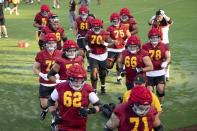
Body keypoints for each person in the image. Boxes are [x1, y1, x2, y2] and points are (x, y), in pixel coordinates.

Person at [48, 64, 102, 131]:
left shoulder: (87, 88)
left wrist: (89, 111)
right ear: (69, 78)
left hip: (80, 126)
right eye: (76, 80)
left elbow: (99, 105)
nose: (78, 83)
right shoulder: (61, 87)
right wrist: (54, 115)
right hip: (64, 125)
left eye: (81, 80)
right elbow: (50, 101)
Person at [33, 33, 62, 121]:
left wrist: (59, 75)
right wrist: (42, 74)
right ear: (45, 43)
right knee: (44, 105)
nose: (51, 44)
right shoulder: (41, 54)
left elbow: (64, 67)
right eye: (49, 43)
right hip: (44, 83)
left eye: (53, 42)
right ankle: (45, 110)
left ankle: (54, 121)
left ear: (56, 43)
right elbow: (35, 68)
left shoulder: (60, 53)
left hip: (55, 83)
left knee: (56, 105)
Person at [83, 18, 116, 95]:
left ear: (101, 27)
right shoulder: (90, 33)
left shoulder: (105, 34)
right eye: (95, 28)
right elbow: (84, 40)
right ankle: (94, 89)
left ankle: (103, 86)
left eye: (98, 28)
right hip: (93, 55)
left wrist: (104, 43)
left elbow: (112, 43)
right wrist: (87, 48)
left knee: (102, 73)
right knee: (93, 73)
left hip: (103, 55)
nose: (96, 29)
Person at [142, 28, 171, 107]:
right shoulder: (145, 46)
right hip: (149, 72)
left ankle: (160, 105)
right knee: (149, 91)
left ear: (159, 37)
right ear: (149, 38)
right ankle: (150, 106)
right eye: (152, 37)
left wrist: (166, 62)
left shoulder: (164, 45)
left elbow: (168, 56)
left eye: (156, 37)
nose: (154, 39)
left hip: (160, 72)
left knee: (160, 89)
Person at [148, 9, 173, 81]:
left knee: (167, 58)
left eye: (160, 16)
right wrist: (153, 17)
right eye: (158, 16)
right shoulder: (154, 21)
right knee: (154, 57)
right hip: (155, 43)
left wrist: (164, 15)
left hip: (165, 43)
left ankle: (167, 73)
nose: (159, 17)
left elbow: (170, 21)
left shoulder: (166, 21)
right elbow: (149, 22)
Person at [106, 13, 131, 85]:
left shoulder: (124, 27)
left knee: (119, 64)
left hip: (121, 49)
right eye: (114, 21)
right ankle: (107, 69)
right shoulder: (109, 28)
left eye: (116, 21)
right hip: (112, 49)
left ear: (119, 20)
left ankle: (118, 77)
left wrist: (125, 41)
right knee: (109, 65)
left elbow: (129, 35)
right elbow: (107, 38)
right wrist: (113, 41)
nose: (115, 22)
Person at [73, 6, 94, 71]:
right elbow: (74, 28)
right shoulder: (77, 20)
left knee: (88, 52)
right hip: (81, 38)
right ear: (80, 13)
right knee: (80, 53)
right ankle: (81, 65)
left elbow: (95, 27)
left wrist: (91, 31)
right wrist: (77, 34)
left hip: (89, 39)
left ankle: (89, 65)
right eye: (82, 13)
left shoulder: (91, 19)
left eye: (85, 13)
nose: (84, 14)